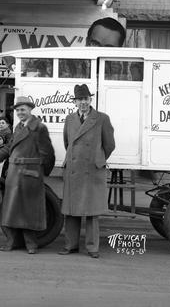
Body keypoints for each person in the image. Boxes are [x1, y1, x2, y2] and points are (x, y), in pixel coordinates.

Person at [0, 96, 55, 255]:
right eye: (18, 110)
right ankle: (12, 241)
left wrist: (41, 173)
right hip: (14, 173)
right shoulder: (18, 128)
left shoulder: (39, 128)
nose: (20, 112)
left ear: (30, 109)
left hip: (30, 174)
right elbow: (9, 149)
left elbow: (48, 154)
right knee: (12, 210)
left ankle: (31, 243)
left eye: (23, 109)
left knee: (29, 211)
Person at [59, 84, 115, 258]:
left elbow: (109, 145)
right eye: (79, 99)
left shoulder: (102, 118)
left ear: (90, 100)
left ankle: (92, 248)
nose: (83, 102)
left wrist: (98, 159)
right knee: (71, 210)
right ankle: (71, 245)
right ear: (75, 102)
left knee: (91, 212)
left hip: (92, 170)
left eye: (86, 99)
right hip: (74, 169)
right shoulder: (69, 119)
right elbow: (67, 143)